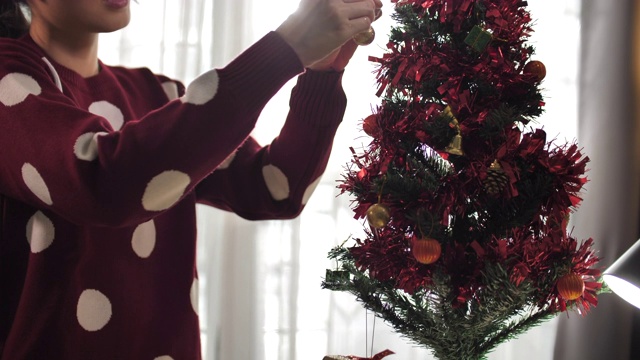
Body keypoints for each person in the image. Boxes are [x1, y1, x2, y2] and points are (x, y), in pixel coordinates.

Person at [0, 0, 383, 358]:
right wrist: (285, 50)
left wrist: (319, 75)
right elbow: (102, 182)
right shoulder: (8, 81)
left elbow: (276, 189)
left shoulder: (157, 93)